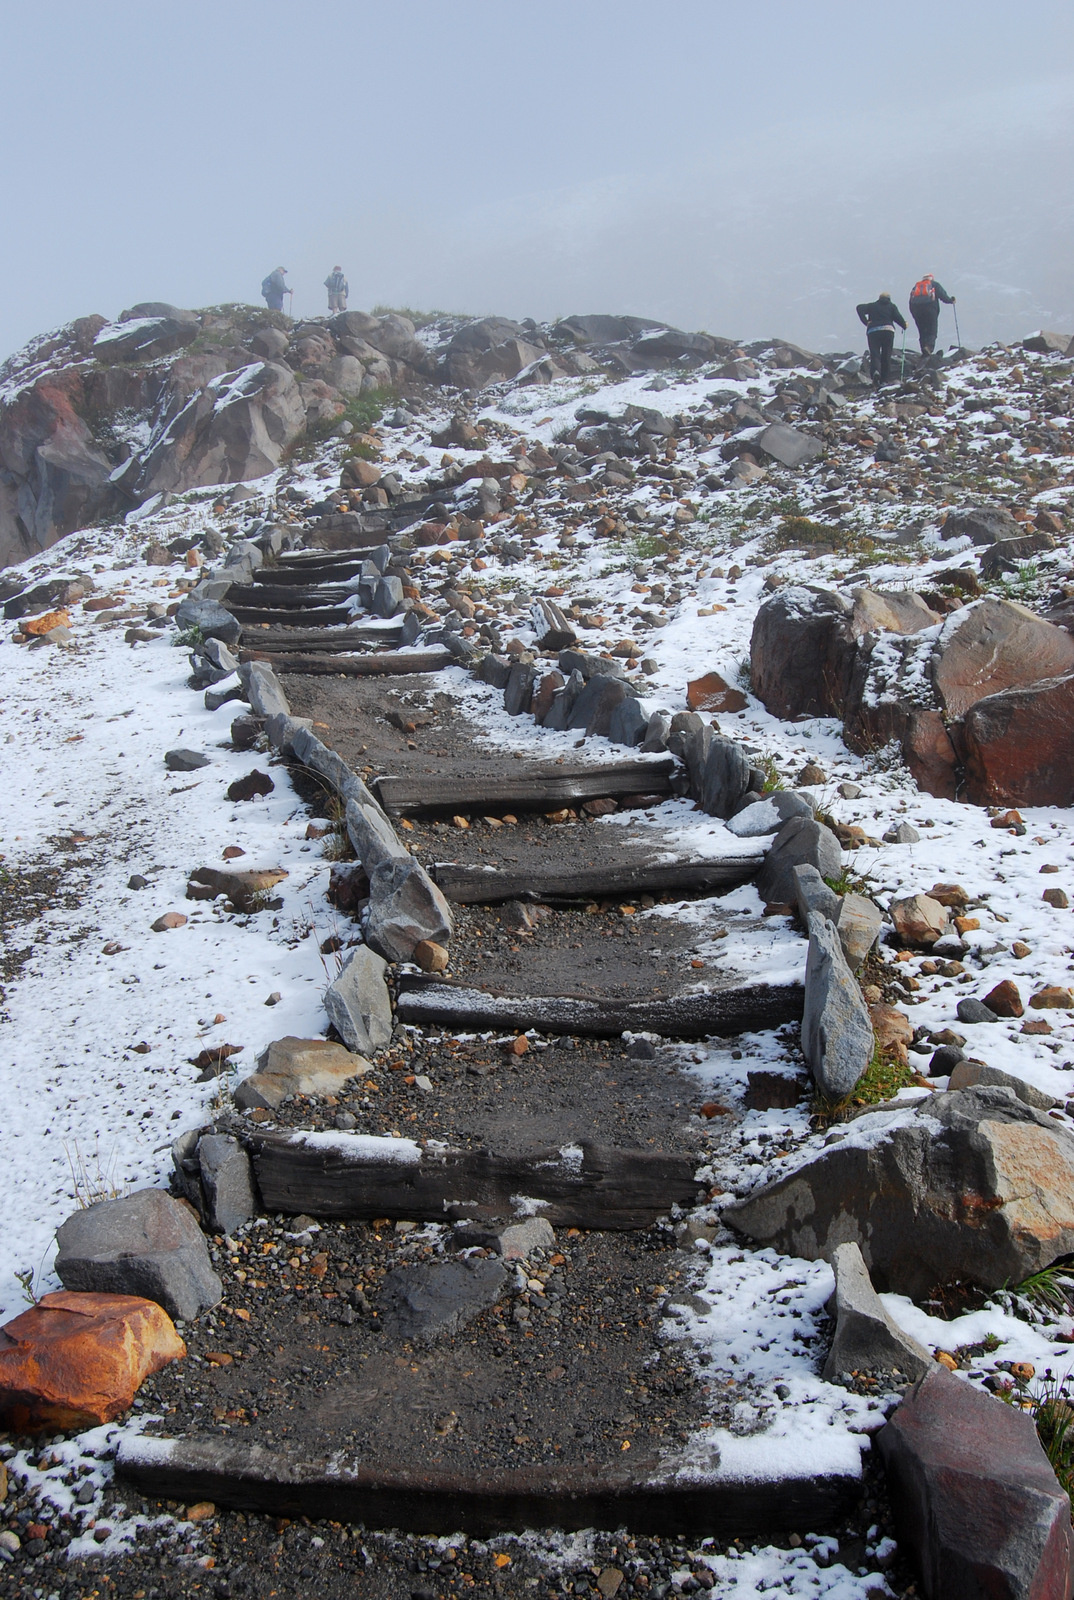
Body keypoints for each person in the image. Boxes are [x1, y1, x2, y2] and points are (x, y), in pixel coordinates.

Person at [855, 292, 907, 387]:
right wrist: (904, 325)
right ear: (889, 299)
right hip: (888, 331)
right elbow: (898, 318)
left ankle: (875, 371)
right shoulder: (891, 306)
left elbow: (859, 308)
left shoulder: (872, 306)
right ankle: (884, 380)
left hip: (873, 331)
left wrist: (866, 322)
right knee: (886, 355)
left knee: (875, 353)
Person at [908, 273, 956, 356]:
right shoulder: (934, 284)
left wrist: (914, 315)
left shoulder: (915, 287)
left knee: (922, 331)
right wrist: (951, 300)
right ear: (932, 279)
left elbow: (910, 303)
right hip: (930, 310)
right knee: (932, 330)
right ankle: (929, 348)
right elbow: (943, 296)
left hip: (917, 312)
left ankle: (924, 349)